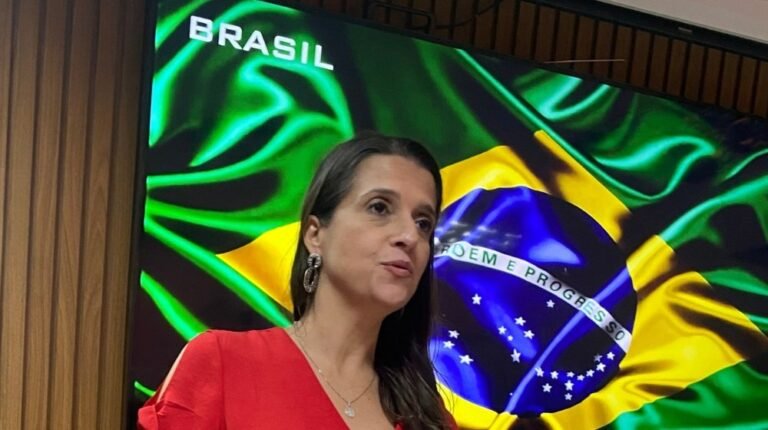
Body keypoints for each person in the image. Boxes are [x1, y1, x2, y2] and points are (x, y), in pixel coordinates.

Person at [137, 133, 458, 429]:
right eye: (379, 207)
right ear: (315, 235)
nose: (409, 236)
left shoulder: (429, 417)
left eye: (423, 222)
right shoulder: (221, 362)